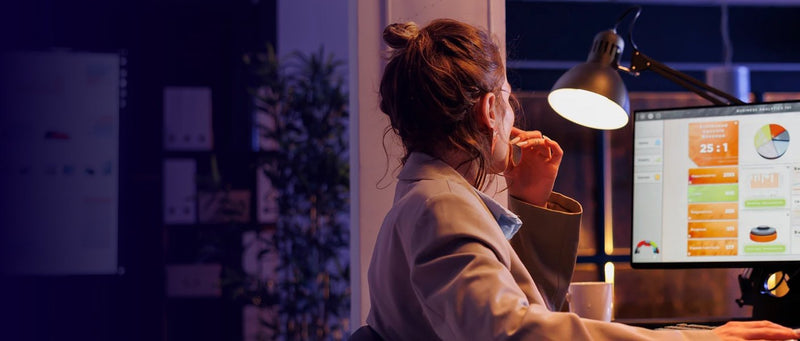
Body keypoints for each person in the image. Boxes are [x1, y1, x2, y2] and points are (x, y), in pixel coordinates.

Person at [365, 18, 800, 341]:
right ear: (489, 111)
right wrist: (696, 339)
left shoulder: (430, 198)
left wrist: (531, 202)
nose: (513, 114)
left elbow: (527, 314)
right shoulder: (441, 205)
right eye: (508, 100)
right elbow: (512, 334)